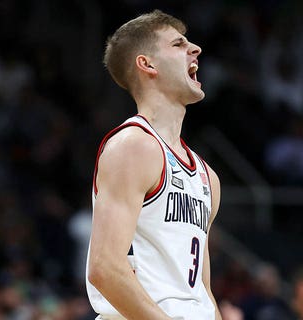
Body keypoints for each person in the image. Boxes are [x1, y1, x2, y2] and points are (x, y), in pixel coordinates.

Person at [85, 9, 222, 320]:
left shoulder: (207, 177)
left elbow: (201, 289)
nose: (195, 48)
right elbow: (105, 268)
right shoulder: (133, 146)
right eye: (177, 44)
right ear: (147, 64)